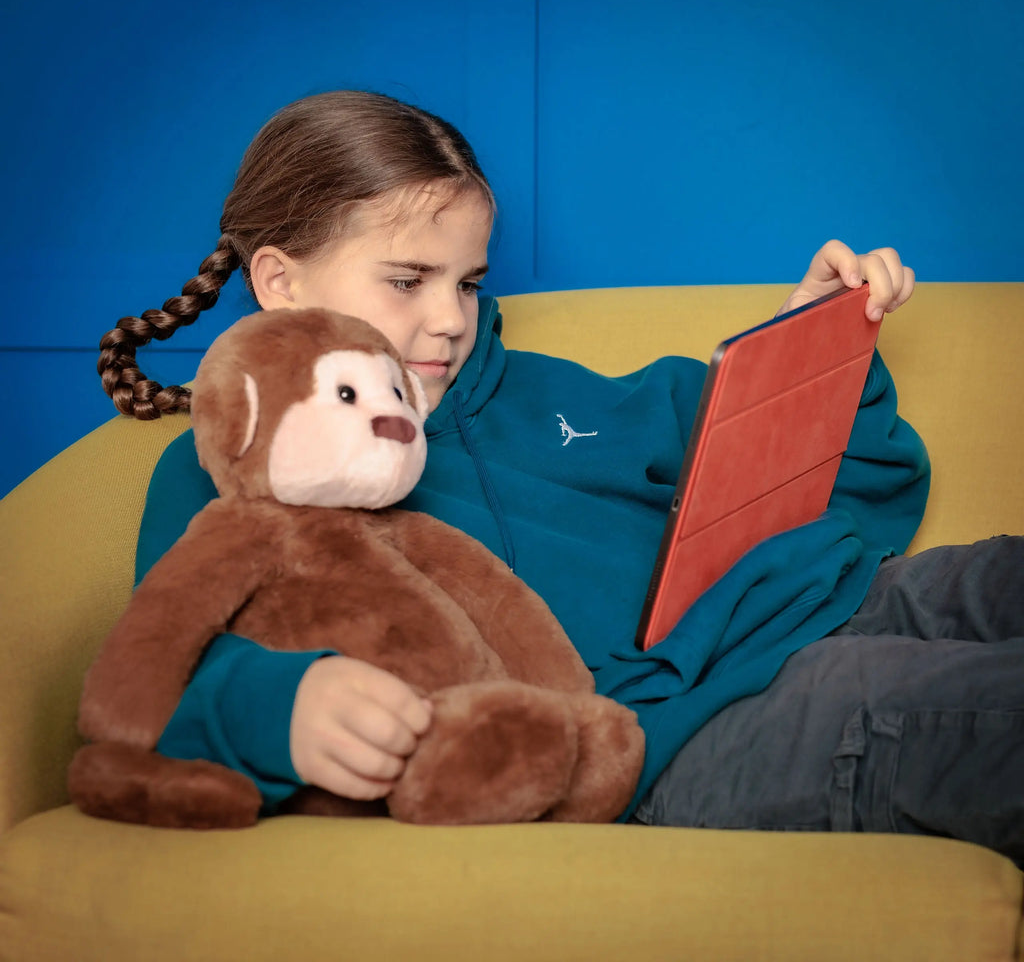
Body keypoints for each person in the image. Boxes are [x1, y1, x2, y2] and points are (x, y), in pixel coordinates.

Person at [97, 90, 1024, 863]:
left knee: (988, 581)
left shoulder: (554, 396)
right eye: (408, 280)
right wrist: (283, 707)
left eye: (467, 282)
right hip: (678, 739)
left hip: (820, 602)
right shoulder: (232, 473)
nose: (452, 319)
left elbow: (843, 485)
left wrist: (810, 353)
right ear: (281, 283)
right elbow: (160, 676)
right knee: (965, 712)